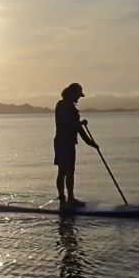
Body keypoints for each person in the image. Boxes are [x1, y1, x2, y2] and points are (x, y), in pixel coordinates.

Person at [54, 82, 98, 210]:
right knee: (66, 171)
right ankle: (68, 198)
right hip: (63, 143)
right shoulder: (64, 106)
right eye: (78, 95)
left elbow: (75, 126)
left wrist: (89, 141)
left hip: (65, 142)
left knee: (66, 171)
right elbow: (70, 125)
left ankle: (66, 198)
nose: (78, 98)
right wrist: (90, 141)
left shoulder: (67, 107)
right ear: (72, 93)